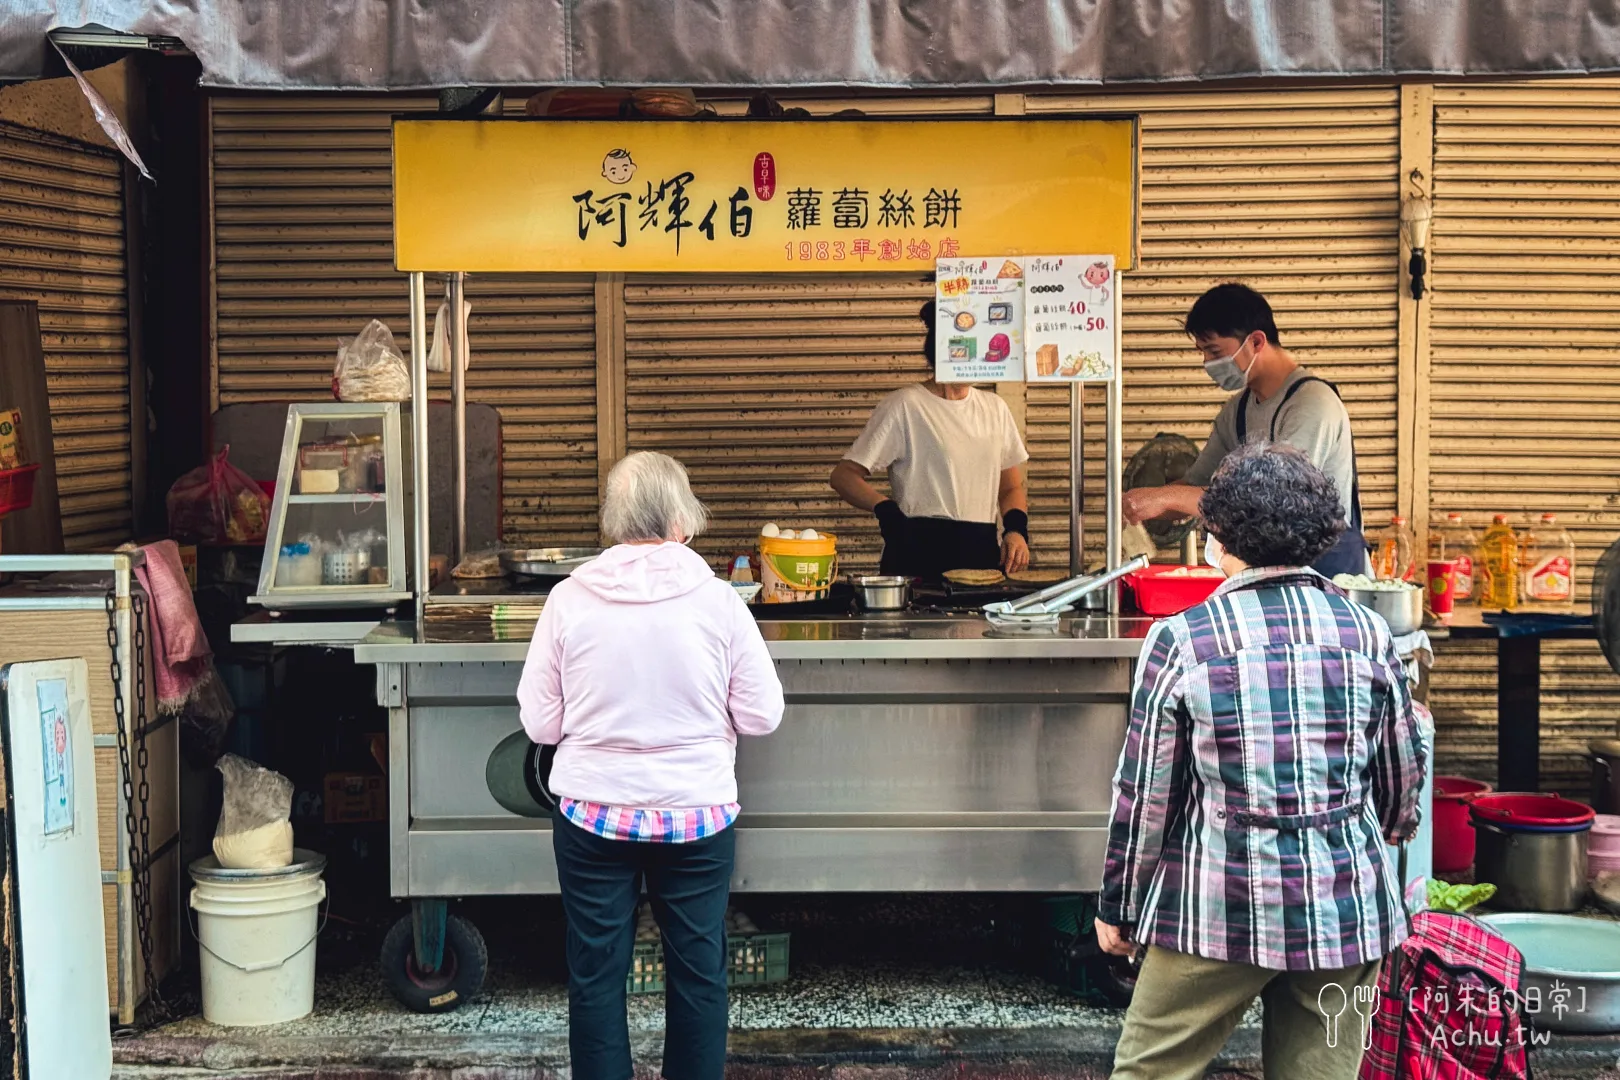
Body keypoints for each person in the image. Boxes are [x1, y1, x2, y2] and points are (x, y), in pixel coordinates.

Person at [1096, 442, 1428, 1080]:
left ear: (1216, 535)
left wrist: (1120, 902)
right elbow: (1402, 767)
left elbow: (1145, 794)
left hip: (1218, 904)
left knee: (1148, 1071)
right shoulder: (1367, 632)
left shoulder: (1184, 637)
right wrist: (1380, 829)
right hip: (1346, 907)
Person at [518, 451, 785, 1080]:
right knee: (698, 972)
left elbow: (541, 725)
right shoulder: (719, 602)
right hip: (696, 817)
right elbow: (762, 715)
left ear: (612, 522)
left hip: (592, 817)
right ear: (681, 521)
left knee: (596, 974)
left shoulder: (568, 599)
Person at [1121, 283, 1368, 577]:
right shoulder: (1237, 412)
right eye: (1203, 352)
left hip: (1327, 577)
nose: (1207, 363)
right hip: (1273, 574)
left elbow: (1276, 502)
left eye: (1214, 351)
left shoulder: (1312, 404)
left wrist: (1165, 499)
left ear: (1257, 341)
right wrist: (1140, 506)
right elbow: (1194, 485)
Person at [829, 300, 1031, 578]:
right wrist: (886, 511)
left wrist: (1016, 530)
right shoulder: (906, 405)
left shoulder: (994, 407)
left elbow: (1010, 488)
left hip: (981, 553)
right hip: (917, 552)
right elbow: (844, 476)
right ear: (940, 352)